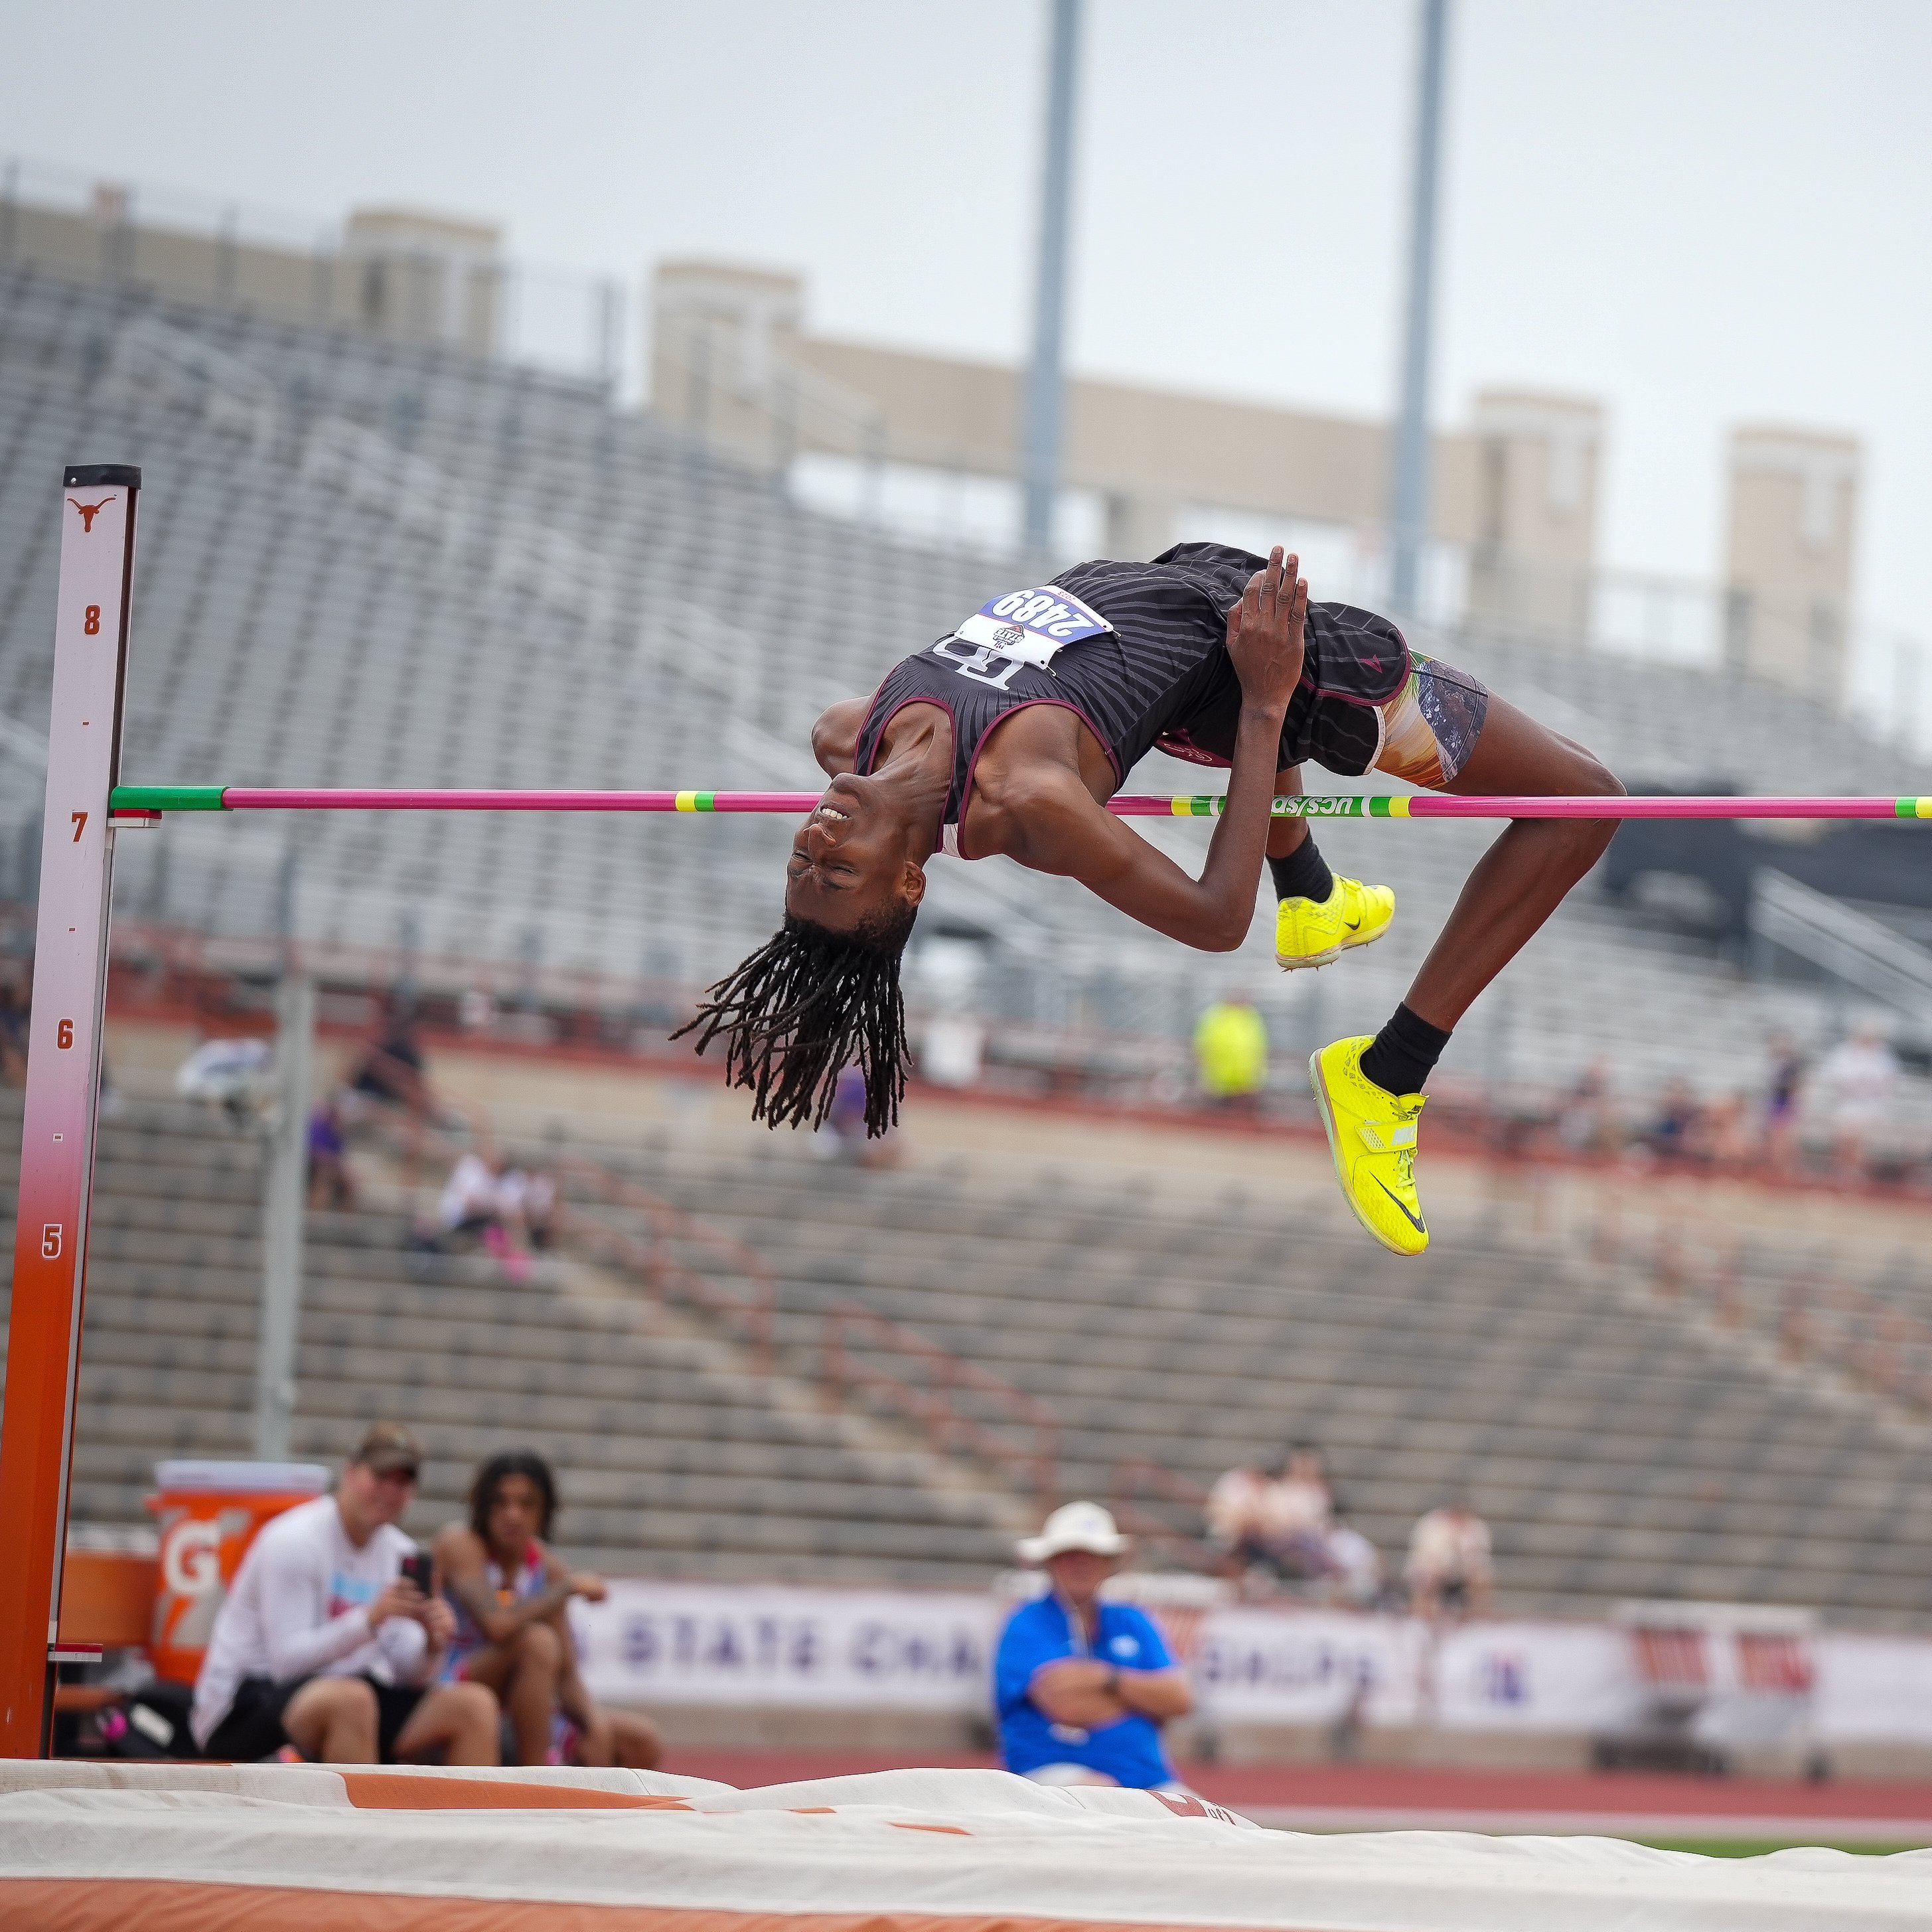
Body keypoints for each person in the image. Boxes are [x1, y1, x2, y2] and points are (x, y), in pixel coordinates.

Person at [677, 544, 1621, 1256]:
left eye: (801, 865)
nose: (816, 844)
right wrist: (1266, 699)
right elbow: (1214, 918)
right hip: (1275, 672)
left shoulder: (847, 734)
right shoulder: (1023, 801)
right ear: (909, 879)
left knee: (1561, 776)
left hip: (1181, 585)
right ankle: (1388, 1072)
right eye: (838, 872)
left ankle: (1311, 892)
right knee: (1583, 801)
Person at [190, 1422, 499, 1764]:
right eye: (380, 1477)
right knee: (353, 1700)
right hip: (246, 1701)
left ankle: (511, 1798)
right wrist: (369, 1620)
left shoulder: (400, 1552)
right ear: (350, 1473)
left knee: (475, 1705)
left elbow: (406, 1673)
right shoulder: (294, 1540)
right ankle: (362, 1801)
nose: (390, 1491)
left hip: (348, 1693)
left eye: (402, 1482)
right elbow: (286, 1663)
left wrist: (432, 1644)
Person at [433, 1449, 660, 1769]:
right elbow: (497, 1624)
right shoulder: (462, 1545)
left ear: (544, 1511)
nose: (513, 1515)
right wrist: (565, 1589)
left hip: (520, 1708)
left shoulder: (548, 1571)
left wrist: (594, 1723)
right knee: (537, 1642)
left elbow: (566, 1675)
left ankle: (554, 1777)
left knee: (639, 1740)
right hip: (451, 1691)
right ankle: (536, 1777)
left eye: (526, 1504)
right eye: (501, 1503)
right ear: (483, 1507)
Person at [993, 1501, 1193, 1791]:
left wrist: (1104, 1679)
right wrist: (1141, 1702)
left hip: (1147, 1776)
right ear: (1051, 1562)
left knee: (1207, 1816)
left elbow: (1179, 1698)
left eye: (1093, 1556)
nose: (1081, 1565)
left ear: (1109, 1564)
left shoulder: (1132, 1620)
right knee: (1100, 1799)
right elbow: (1065, 1703)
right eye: (1070, 1556)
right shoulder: (1026, 1624)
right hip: (1053, 1770)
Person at [1405, 1499, 1494, 1621]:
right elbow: (1428, 1557)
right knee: (1429, 1577)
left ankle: (1476, 1620)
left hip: (1461, 1572)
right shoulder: (1433, 1524)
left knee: (1480, 1579)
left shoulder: (1476, 1527)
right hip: (1433, 1569)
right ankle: (1423, 1619)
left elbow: (1478, 1557)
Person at [1193, 996, 1268, 1110]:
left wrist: (1255, 1083)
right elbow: (1201, 1047)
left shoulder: (1252, 1018)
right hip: (1218, 1086)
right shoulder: (1215, 1017)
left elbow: (1259, 1051)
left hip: (1244, 1087)